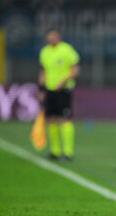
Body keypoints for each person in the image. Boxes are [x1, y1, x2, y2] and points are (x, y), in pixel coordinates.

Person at [38, 28, 80, 160]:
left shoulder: (67, 50)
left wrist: (63, 81)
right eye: (49, 36)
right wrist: (41, 89)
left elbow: (75, 70)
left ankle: (68, 152)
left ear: (58, 36)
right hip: (50, 90)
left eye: (53, 36)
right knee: (50, 118)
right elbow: (44, 71)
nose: (51, 38)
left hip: (64, 90)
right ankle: (54, 151)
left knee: (64, 118)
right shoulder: (44, 52)